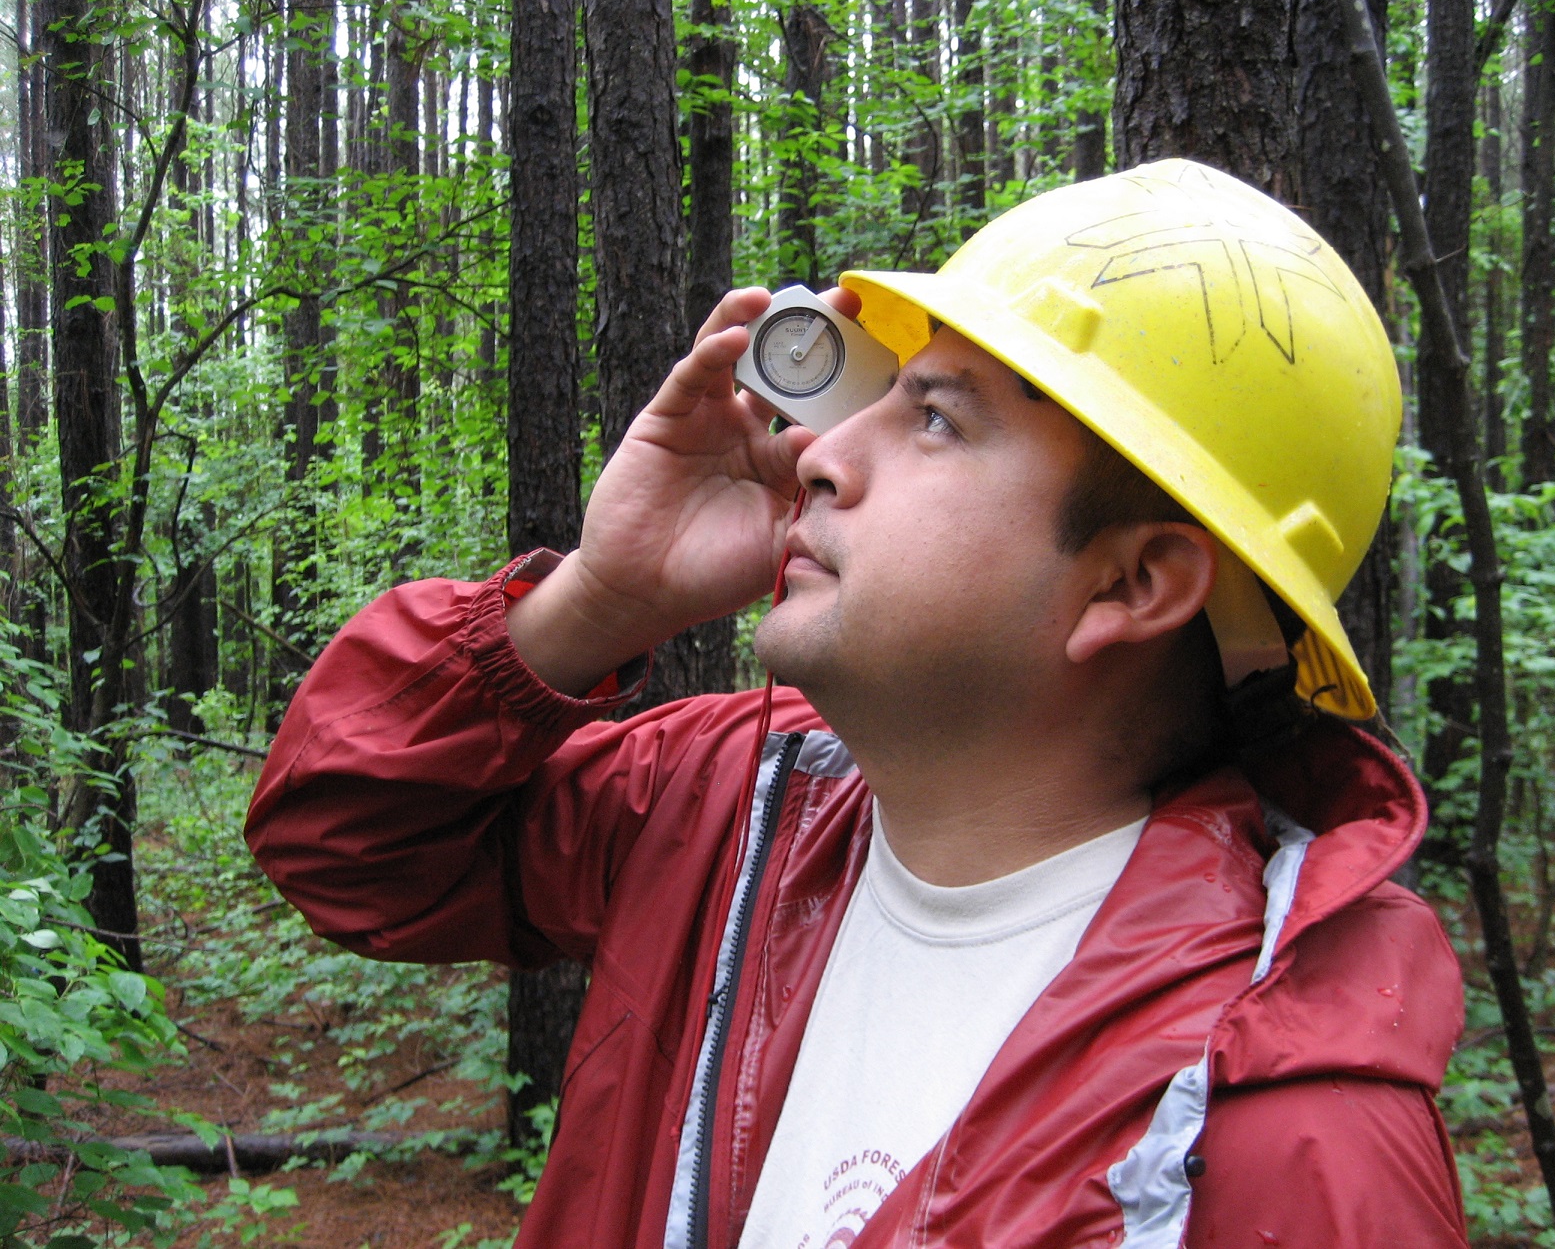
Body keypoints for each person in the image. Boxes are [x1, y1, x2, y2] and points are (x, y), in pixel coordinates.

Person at [247, 159, 1468, 1249]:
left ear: (1133, 582)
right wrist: (601, 597)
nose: (816, 455)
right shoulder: (736, 806)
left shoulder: (1277, 1131)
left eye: (934, 417)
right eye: (878, 393)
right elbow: (349, 843)